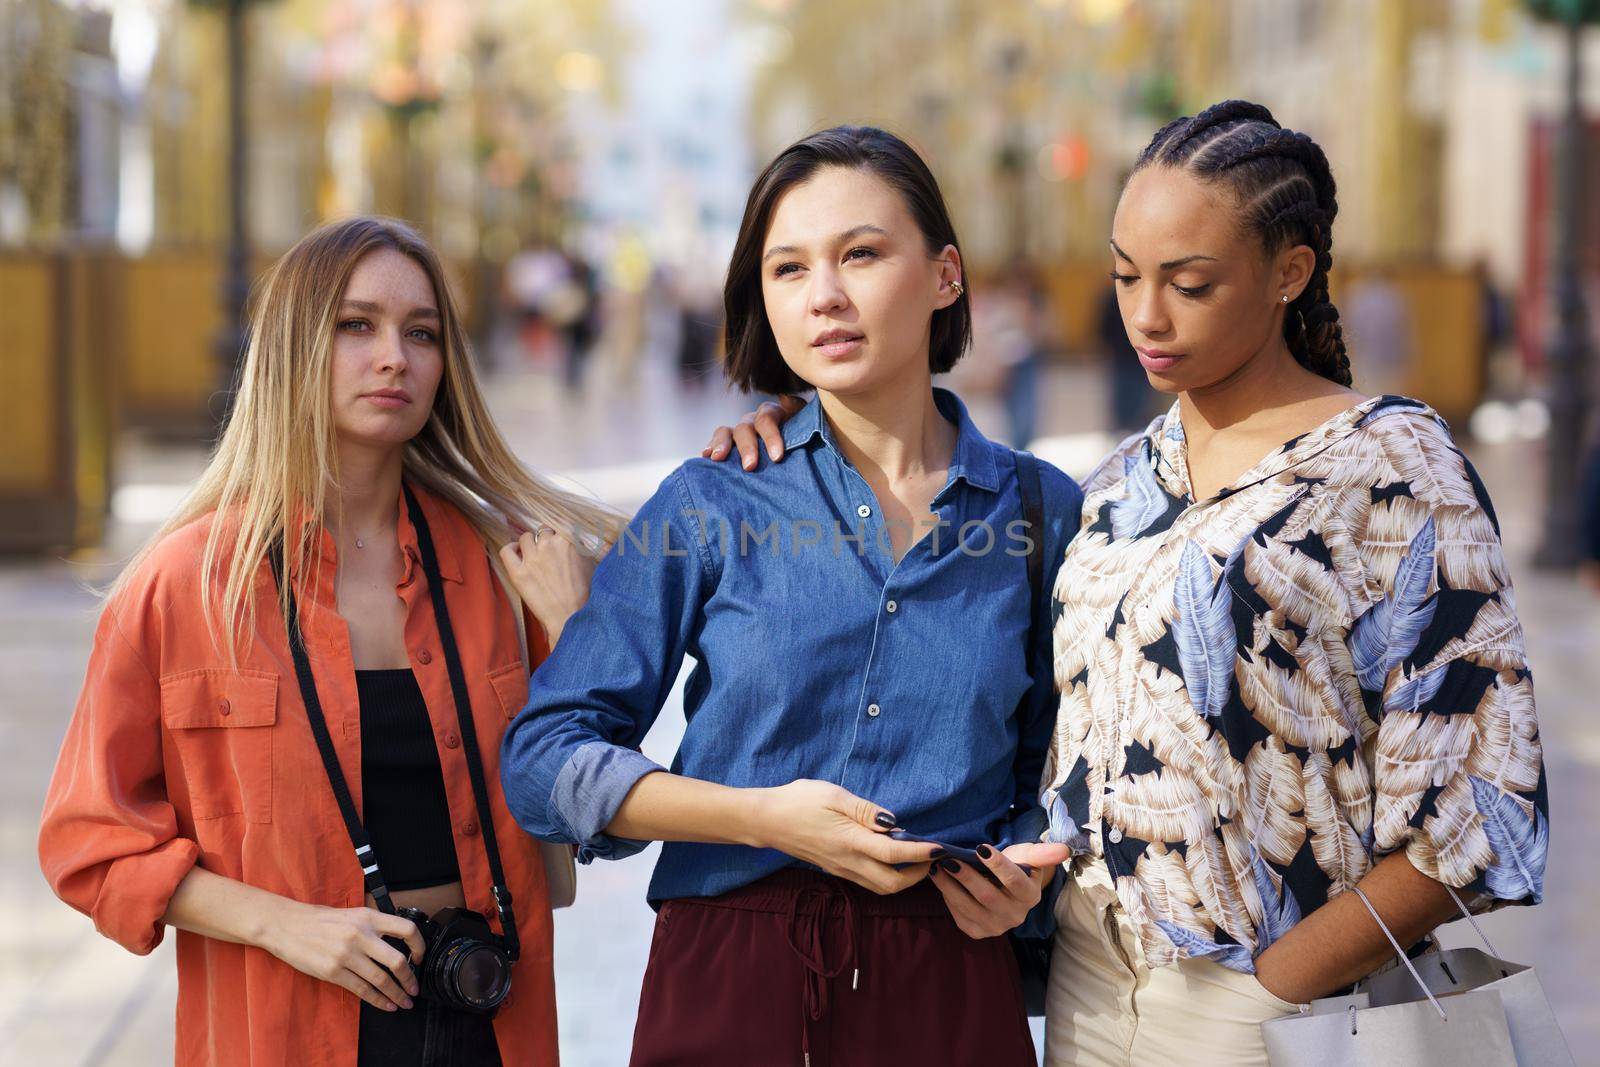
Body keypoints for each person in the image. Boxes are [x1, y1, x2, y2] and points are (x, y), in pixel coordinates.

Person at [709, 101, 1548, 1067]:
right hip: (1089, 992)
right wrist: (804, 432)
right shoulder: (1116, 486)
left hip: (1278, 1005)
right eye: (1125, 276)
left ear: (1290, 271)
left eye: (1189, 284)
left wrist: (1268, 987)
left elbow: (1487, 807)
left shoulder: (1396, 465)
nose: (1146, 316)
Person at [499, 126, 1079, 1066]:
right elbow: (544, 756)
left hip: (949, 980)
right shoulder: (714, 501)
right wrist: (758, 815)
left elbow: (1057, 770)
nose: (825, 297)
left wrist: (1028, 876)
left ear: (945, 276)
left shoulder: (1040, 511)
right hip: (732, 974)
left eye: (860, 254)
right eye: (788, 268)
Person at [38, 216, 619, 1066]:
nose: (395, 357)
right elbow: (90, 842)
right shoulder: (185, 586)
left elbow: (606, 809)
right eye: (357, 326)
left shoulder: (509, 565)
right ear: (292, 348)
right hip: (287, 1025)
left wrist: (573, 632)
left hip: (488, 1013)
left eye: (421, 333)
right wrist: (287, 925)